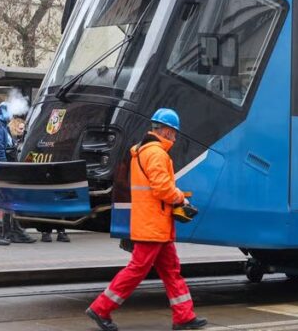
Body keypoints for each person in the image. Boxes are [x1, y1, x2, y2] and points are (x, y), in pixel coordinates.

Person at [86, 108, 207, 331]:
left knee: (171, 269)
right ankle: (101, 308)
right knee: (137, 269)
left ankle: (184, 316)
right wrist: (181, 198)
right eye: (174, 132)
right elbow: (163, 189)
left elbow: (153, 188)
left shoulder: (141, 152)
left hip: (154, 224)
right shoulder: (157, 154)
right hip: (153, 225)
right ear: (167, 130)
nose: (175, 137)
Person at [0, 103, 36, 244]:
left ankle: (5, 232)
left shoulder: (1, 128)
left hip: (0, 169)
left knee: (0, 200)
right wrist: (5, 168)